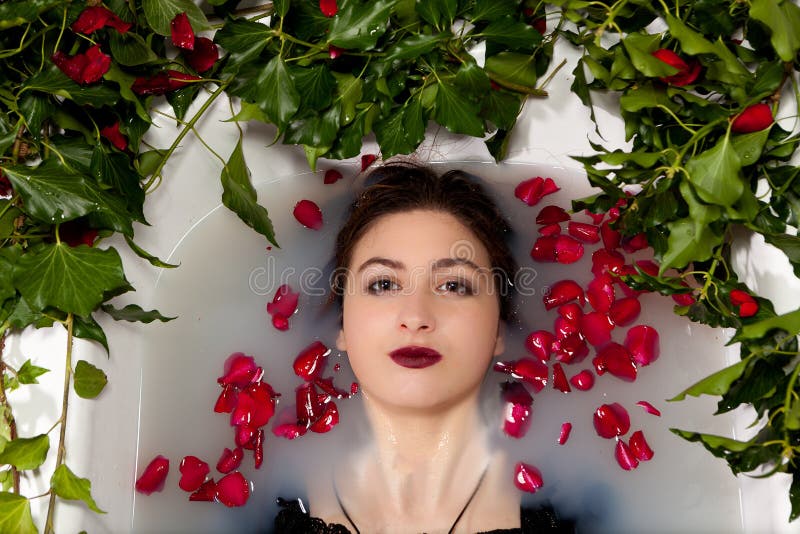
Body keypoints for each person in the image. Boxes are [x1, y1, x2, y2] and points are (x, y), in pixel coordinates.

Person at [275, 162, 572, 533]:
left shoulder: (572, 510)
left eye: (454, 285)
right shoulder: (274, 501)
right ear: (342, 327)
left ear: (498, 330)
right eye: (383, 284)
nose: (416, 316)